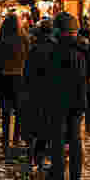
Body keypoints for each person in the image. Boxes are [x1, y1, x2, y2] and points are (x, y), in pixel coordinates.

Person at [49, 12, 90, 180]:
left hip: (57, 100)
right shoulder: (85, 48)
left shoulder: (54, 49)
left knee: (58, 139)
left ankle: (59, 178)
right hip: (78, 100)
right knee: (75, 139)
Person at [20, 16, 56, 166]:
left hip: (36, 92)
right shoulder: (56, 47)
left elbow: (27, 73)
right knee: (49, 125)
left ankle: (37, 156)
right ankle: (46, 156)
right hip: (52, 92)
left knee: (38, 125)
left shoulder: (35, 49)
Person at [0, 13, 28, 149]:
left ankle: (5, 136)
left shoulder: (0, 41)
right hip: (20, 78)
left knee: (5, 109)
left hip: (3, 78)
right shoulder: (24, 40)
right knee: (19, 110)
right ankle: (17, 136)